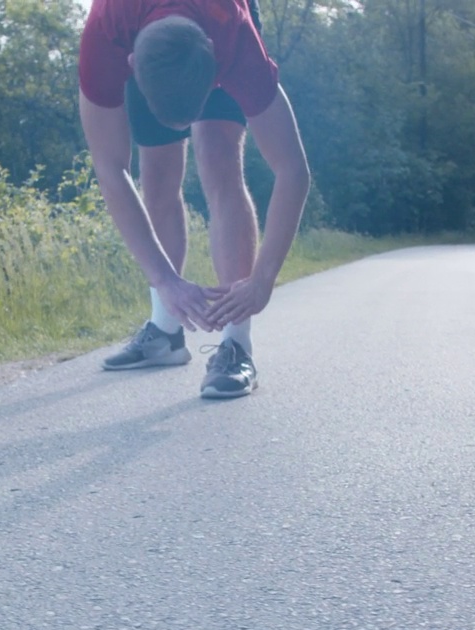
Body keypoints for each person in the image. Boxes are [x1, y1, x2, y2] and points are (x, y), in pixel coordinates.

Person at [78, 0, 310, 399]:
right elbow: (110, 167)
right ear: (131, 63)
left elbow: (293, 169)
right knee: (157, 170)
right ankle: (166, 330)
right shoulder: (106, 31)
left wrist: (262, 280)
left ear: (218, 67)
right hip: (149, 29)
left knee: (218, 154)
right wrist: (164, 279)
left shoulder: (236, 39)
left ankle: (236, 343)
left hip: (209, 23)